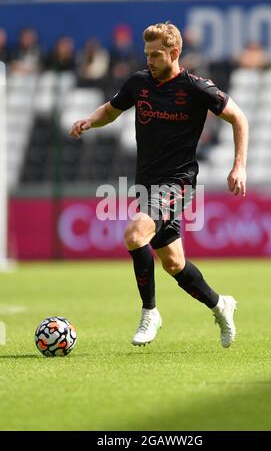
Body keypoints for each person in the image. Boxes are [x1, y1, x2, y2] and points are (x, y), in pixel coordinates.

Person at [69, 22, 248, 349]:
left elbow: (238, 118)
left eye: (155, 54)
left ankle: (150, 312)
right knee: (174, 263)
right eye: (146, 54)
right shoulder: (139, 83)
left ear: (174, 53)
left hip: (178, 183)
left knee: (135, 235)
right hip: (147, 185)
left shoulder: (196, 87)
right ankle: (221, 304)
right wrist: (90, 121)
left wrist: (238, 166)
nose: (149, 60)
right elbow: (111, 110)